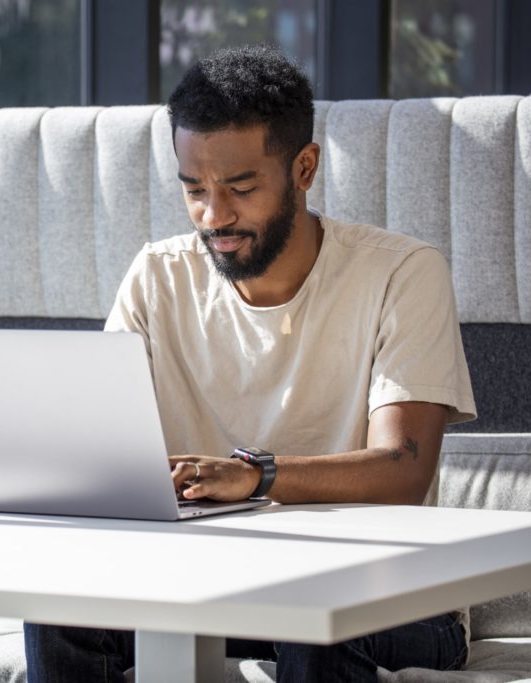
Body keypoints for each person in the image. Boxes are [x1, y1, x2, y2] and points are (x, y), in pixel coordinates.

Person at [23, 45, 476, 683]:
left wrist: (256, 477)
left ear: (305, 167)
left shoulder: (402, 273)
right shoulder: (158, 276)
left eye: (240, 188)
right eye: (194, 190)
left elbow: (403, 469)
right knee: (58, 608)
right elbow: (97, 441)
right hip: (206, 581)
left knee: (314, 614)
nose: (215, 216)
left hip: (388, 593)